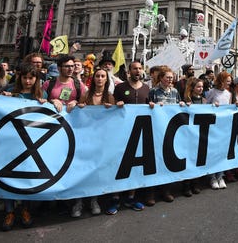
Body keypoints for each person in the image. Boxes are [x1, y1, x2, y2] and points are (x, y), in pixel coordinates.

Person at [2, 63, 44, 230]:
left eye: (31, 78)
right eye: (25, 77)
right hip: (12, 141)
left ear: (36, 79)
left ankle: (25, 208)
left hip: (33, 142)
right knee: (8, 175)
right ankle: (9, 210)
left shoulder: (41, 94)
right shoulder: (11, 92)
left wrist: (51, 101)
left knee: (28, 176)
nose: (28, 81)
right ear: (19, 77)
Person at [67, 67, 114, 218]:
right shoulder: (86, 95)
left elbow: (115, 118)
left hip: (102, 139)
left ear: (106, 79)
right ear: (93, 79)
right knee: (81, 168)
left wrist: (113, 108)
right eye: (97, 76)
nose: (100, 78)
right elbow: (78, 114)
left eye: (102, 76)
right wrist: (79, 106)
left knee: (96, 171)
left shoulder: (110, 96)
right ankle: (78, 202)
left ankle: (94, 200)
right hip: (85, 138)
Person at [108, 60, 148, 213]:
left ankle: (131, 197)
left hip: (140, 134)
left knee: (136, 166)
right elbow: (110, 107)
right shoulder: (120, 88)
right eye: (134, 69)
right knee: (119, 165)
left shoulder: (146, 88)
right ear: (129, 72)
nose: (137, 71)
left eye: (139, 68)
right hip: (121, 134)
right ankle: (115, 198)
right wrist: (114, 105)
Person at [147, 67, 181, 203]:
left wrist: (183, 104)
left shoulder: (175, 91)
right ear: (161, 78)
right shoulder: (153, 91)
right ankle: (150, 193)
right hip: (156, 130)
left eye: (171, 77)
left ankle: (166, 190)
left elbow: (179, 106)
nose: (170, 80)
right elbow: (147, 108)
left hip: (170, 131)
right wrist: (153, 105)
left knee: (167, 159)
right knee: (154, 160)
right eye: (167, 77)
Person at [205, 71, 233, 188]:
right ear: (221, 80)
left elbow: (230, 108)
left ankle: (220, 176)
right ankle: (212, 177)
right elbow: (204, 106)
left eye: (230, 81)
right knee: (212, 152)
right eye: (227, 81)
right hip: (212, 126)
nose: (229, 83)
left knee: (222, 152)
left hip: (224, 126)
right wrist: (212, 106)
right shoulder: (211, 92)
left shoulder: (229, 94)